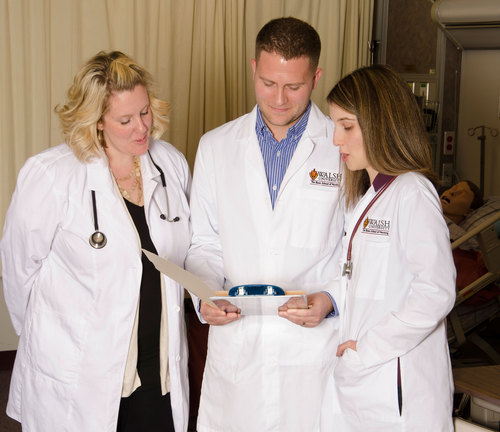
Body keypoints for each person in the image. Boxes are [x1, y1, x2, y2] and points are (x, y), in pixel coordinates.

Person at [0, 51, 191, 431]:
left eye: (144, 112)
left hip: (157, 366)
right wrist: (50, 341)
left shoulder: (170, 163)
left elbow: (182, 257)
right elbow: (19, 273)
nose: (142, 128)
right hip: (79, 373)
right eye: (125, 120)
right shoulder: (52, 175)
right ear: (97, 122)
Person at [185, 17, 343, 432]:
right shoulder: (216, 146)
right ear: (253, 68)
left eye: (294, 86)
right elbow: (204, 242)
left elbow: (355, 250)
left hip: (311, 353)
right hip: (238, 348)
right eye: (269, 82)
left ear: (316, 78)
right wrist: (206, 295)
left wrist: (330, 298)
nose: (279, 98)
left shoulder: (341, 149)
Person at [326, 64, 456, 431]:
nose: (336, 140)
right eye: (335, 125)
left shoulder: (412, 192)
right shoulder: (366, 199)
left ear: (380, 123)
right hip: (365, 385)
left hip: (396, 385)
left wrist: (366, 350)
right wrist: (326, 299)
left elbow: (435, 292)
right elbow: (362, 282)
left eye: (347, 126)